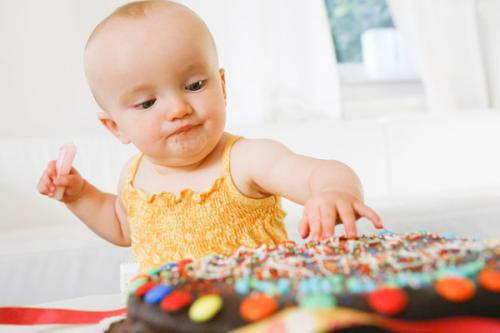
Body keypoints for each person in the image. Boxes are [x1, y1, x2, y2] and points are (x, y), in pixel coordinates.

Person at [37, 0, 382, 272]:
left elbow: (320, 172)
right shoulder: (133, 176)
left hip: (255, 316)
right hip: (168, 321)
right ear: (116, 127)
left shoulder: (244, 161)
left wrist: (332, 192)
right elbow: (122, 227)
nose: (177, 108)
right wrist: (79, 195)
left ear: (223, 85)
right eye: (147, 102)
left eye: (195, 85)